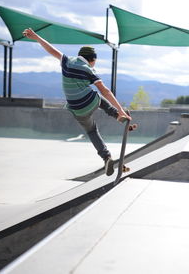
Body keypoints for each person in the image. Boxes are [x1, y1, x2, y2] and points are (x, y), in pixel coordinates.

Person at [22, 28, 137, 176]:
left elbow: (51, 50)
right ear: (92, 59)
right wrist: (121, 111)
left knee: (91, 131)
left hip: (76, 110)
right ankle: (118, 116)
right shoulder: (89, 70)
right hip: (89, 101)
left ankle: (106, 157)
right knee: (98, 97)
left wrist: (36, 37)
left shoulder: (67, 61)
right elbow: (106, 91)